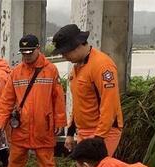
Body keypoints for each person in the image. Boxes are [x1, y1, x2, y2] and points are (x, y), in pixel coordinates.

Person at [0, 34, 66, 167]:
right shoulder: (16, 73)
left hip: (44, 126)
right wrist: (1, 123)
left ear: (38, 49)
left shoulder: (50, 70)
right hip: (21, 127)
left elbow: (58, 98)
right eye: (24, 53)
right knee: (15, 161)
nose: (27, 56)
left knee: (46, 164)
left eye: (30, 53)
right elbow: (6, 100)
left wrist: (60, 121)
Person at [52, 24, 124, 159]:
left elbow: (110, 104)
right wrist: (70, 133)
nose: (64, 56)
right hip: (83, 130)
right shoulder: (77, 68)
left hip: (103, 131)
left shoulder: (102, 66)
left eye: (65, 52)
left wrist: (99, 138)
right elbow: (78, 103)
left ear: (78, 45)